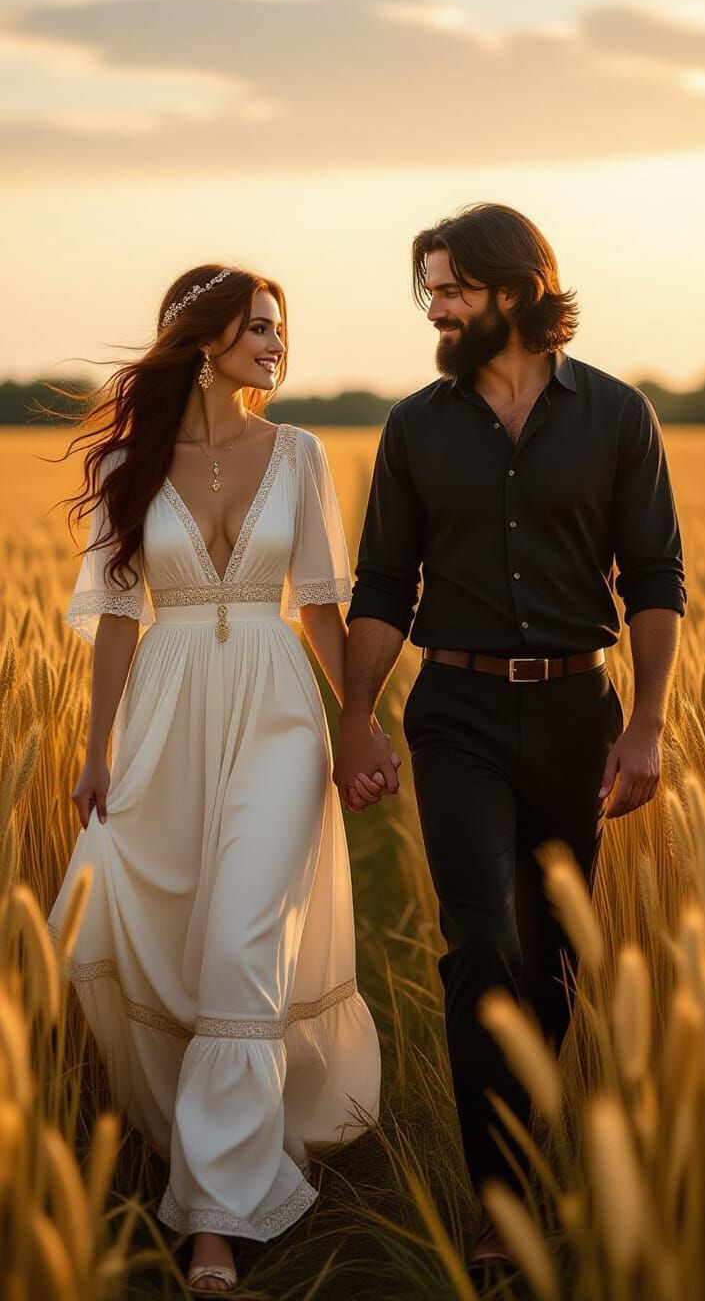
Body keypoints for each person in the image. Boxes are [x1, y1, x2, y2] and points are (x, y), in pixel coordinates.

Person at [333, 203, 686, 1269]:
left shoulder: (619, 416)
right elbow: (387, 586)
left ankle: (531, 1158)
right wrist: (356, 717)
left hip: (584, 714)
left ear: (521, 287)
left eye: (452, 287)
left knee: (557, 960)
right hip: (458, 715)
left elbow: (655, 578)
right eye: (428, 292)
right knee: (482, 939)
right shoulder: (415, 428)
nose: (436, 308)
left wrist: (651, 725)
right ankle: (499, 1203)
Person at [46, 264, 385, 1294]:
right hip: (166, 710)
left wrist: (360, 721)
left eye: (281, 331)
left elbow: (321, 607)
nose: (277, 347)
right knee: (181, 939)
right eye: (258, 330)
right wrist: (98, 752)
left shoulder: (302, 452)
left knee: (243, 943)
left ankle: (214, 1224)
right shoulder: (130, 468)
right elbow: (112, 623)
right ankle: (203, 1138)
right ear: (201, 342)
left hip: (281, 713)